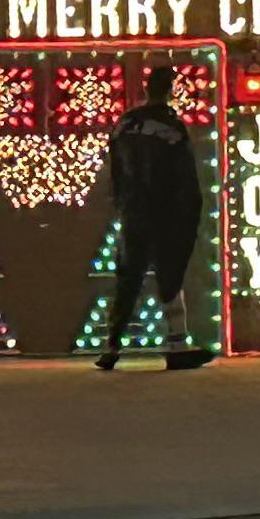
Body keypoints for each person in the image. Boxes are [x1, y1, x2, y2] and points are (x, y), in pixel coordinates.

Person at [93, 61, 206, 370]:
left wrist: (122, 202)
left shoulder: (125, 123)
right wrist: (190, 212)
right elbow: (184, 177)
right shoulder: (171, 127)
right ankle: (177, 345)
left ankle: (112, 347)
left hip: (133, 212)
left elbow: (115, 169)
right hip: (165, 213)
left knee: (128, 278)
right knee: (171, 277)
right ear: (170, 90)